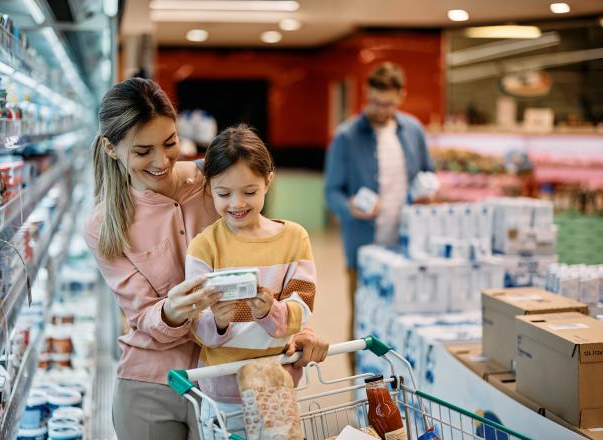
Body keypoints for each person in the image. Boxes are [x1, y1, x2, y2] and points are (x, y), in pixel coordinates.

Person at [83, 78, 329, 440]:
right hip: (152, 383)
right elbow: (141, 314)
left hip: (230, 379)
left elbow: (271, 260)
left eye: (169, 143)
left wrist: (298, 328)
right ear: (111, 148)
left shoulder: (211, 181)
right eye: (142, 151)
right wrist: (172, 311)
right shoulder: (104, 225)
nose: (161, 161)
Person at [185, 125, 316, 438]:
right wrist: (216, 321)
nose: (237, 203)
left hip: (276, 384)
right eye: (224, 193)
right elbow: (195, 321)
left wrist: (268, 312)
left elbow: (302, 309)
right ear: (208, 187)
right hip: (221, 393)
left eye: (249, 192)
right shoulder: (204, 246)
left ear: (268, 181)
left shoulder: (294, 238)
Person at [324, 62, 435, 346]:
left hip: (407, 248)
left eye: (388, 103)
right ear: (366, 93)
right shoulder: (346, 136)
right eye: (375, 102)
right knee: (362, 322)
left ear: (401, 96)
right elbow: (331, 192)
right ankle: (358, 387)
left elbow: (428, 174)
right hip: (364, 250)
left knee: (401, 319)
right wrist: (350, 207)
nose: (381, 110)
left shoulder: (414, 131)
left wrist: (427, 193)